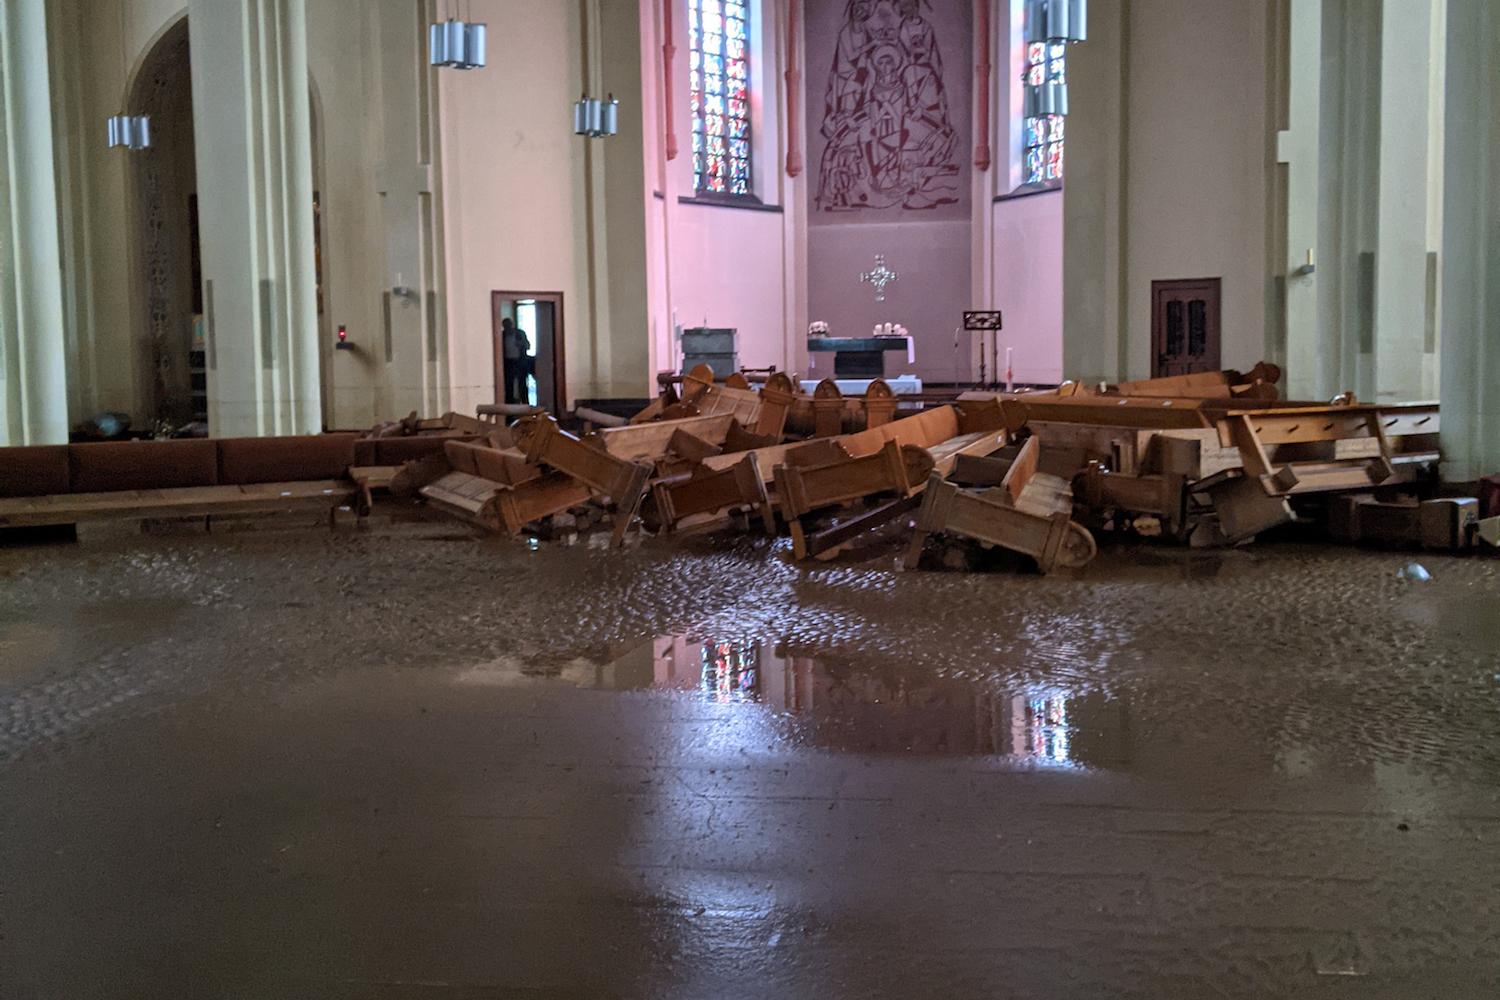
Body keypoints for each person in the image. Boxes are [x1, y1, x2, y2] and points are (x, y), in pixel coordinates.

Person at [500, 317, 532, 404]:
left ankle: (525, 404)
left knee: (522, 384)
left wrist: (520, 344)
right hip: (508, 362)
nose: (508, 328)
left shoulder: (520, 333)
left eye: (509, 325)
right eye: (505, 326)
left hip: (520, 362)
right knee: (508, 385)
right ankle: (509, 405)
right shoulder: (502, 335)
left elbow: (528, 346)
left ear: (512, 325)